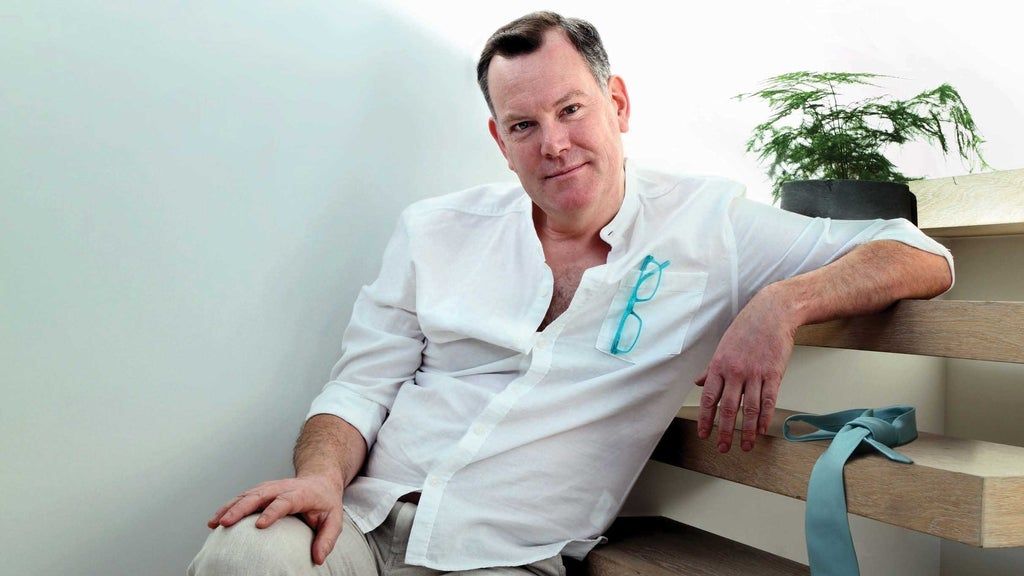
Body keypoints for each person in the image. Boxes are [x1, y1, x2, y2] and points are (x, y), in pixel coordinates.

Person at [189, 11, 954, 576]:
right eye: (524, 125)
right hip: (359, 523)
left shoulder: (708, 225)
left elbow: (918, 254)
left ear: (617, 104)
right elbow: (359, 387)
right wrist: (321, 478)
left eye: (571, 109)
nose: (553, 144)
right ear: (500, 141)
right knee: (243, 553)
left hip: (505, 555)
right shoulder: (433, 230)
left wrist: (780, 304)